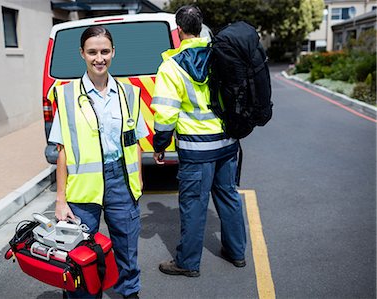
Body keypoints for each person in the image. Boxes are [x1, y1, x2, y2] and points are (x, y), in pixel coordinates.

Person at [49, 25, 148, 299]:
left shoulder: (130, 95)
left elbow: (135, 141)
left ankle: (130, 292)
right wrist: (60, 198)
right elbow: (63, 151)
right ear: (82, 54)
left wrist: (137, 179)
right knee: (79, 253)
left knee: (127, 248)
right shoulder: (67, 96)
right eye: (92, 52)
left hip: (122, 183)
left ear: (113, 52)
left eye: (104, 51)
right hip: (82, 187)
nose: (99, 58)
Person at [151, 5, 247, 277]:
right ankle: (237, 253)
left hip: (196, 149)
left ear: (178, 30)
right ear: (200, 26)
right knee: (229, 197)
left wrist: (160, 146)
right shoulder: (218, 55)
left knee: (194, 205)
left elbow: (166, 114)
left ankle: (188, 263)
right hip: (227, 144)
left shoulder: (171, 66)